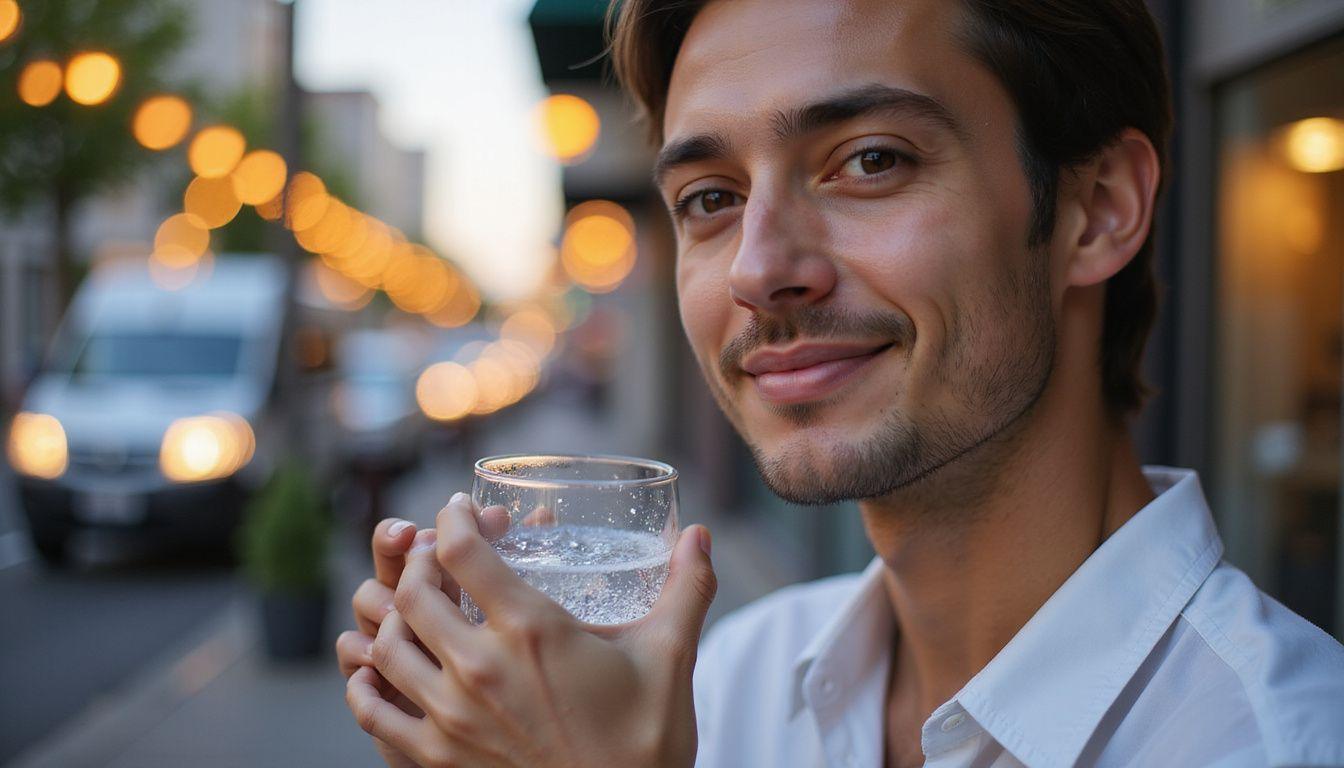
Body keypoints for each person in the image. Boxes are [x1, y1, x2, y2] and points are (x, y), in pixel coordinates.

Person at [335, 0, 1344, 765]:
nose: (758, 268)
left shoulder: (1284, 738)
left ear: (1097, 209)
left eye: (869, 161)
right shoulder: (728, 690)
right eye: (711, 198)